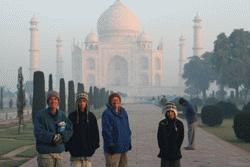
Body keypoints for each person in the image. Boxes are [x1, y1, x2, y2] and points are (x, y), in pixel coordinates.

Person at [34, 91, 73, 167]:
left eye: (55, 99)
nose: (53, 101)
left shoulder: (62, 115)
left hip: (59, 154)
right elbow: (38, 132)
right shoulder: (40, 115)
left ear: (58, 101)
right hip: (45, 154)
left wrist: (62, 136)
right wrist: (53, 137)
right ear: (47, 101)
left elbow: (69, 129)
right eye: (51, 99)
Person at [66, 92, 100, 167]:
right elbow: (68, 133)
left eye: (84, 101)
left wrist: (92, 148)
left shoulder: (91, 116)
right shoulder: (72, 116)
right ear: (77, 102)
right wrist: (70, 148)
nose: (82, 103)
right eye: (80, 101)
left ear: (87, 102)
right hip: (75, 155)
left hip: (88, 154)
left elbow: (95, 134)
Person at [102, 93, 132, 167]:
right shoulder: (107, 113)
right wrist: (110, 144)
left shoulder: (123, 112)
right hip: (113, 148)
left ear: (120, 101)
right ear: (110, 102)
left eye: (117, 100)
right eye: (113, 100)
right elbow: (106, 131)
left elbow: (127, 128)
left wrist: (128, 141)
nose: (115, 102)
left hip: (123, 147)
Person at [157, 103, 184, 167]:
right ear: (166, 112)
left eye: (172, 111)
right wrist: (162, 148)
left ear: (175, 112)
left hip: (175, 152)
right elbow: (159, 137)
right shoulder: (162, 123)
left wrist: (177, 148)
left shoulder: (179, 123)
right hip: (165, 152)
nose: (170, 113)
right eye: (168, 111)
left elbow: (181, 137)